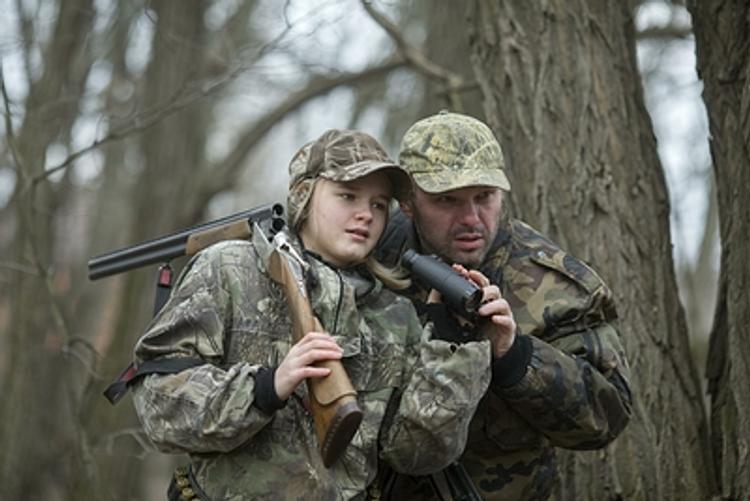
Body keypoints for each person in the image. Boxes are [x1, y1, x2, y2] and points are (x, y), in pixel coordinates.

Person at [130, 129, 507, 500]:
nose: (366, 215)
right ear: (303, 197)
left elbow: (416, 454)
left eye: (379, 204)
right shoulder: (230, 269)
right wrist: (266, 387)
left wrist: (453, 345)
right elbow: (158, 406)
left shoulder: (394, 314)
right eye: (347, 196)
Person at [375, 111, 633, 500]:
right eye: (447, 200)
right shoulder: (371, 252)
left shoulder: (552, 286)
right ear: (408, 203)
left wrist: (514, 357)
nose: (471, 219)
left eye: (484, 197)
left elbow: (607, 416)